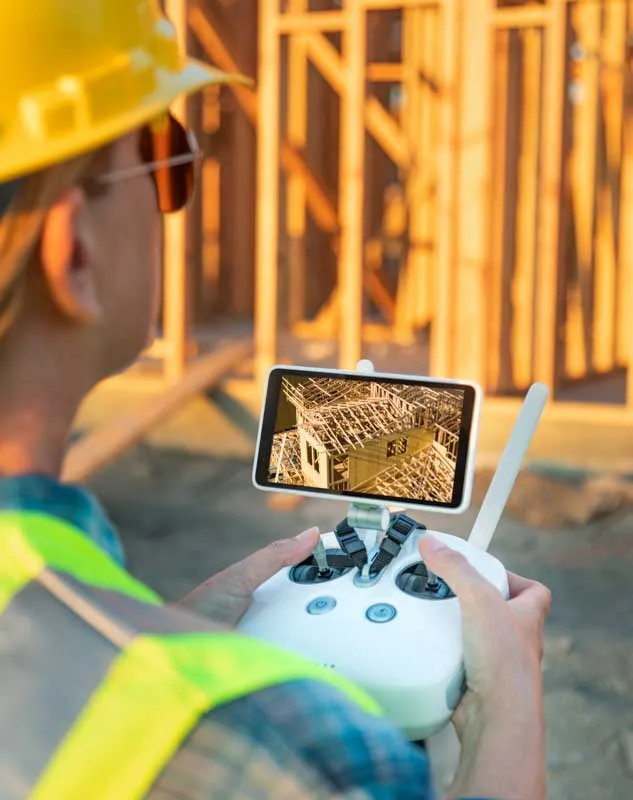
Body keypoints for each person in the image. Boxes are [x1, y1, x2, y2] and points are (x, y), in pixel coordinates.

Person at [0, 2, 551, 798]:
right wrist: (508, 705)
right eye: (165, 160)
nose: (170, 200)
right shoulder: (287, 747)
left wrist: (152, 627)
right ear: (73, 249)